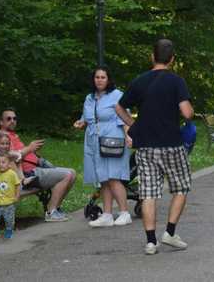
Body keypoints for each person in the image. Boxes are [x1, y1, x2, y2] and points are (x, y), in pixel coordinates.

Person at [115, 38, 195, 254]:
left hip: (146, 146)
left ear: (152, 57)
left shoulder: (139, 81)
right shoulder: (176, 81)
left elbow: (119, 107)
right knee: (181, 187)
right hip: (172, 144)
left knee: (148, 192)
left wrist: (134, 125)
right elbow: (187, 113)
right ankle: (170, 232)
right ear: (172, 59)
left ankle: (151, 241)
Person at [74, 67, 132, 228]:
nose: (99, 80)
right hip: (94, 140)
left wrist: (128, 135)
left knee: (113, 176)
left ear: (108, 79)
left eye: (103, 77)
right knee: (103, 178)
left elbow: (124, 117)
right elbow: (86, 118)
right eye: (97, 77)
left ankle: (124, 213)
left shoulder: (117, 95)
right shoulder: (90, 98)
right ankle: (107, 214)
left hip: (112, 139)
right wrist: (81, 123)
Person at [0, 108, 76, 222]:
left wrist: (33, 153)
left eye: (14, 118)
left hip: (35, 168)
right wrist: (29, 148)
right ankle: (51, 212)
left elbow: (20, 152)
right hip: (28, 174)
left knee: (73, 172)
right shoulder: (2, 138)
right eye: (8, 119)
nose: (12, 121)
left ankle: (56, 208)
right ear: (1, 122)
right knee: (67, 175)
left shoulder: (12, 135)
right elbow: (9, 156)